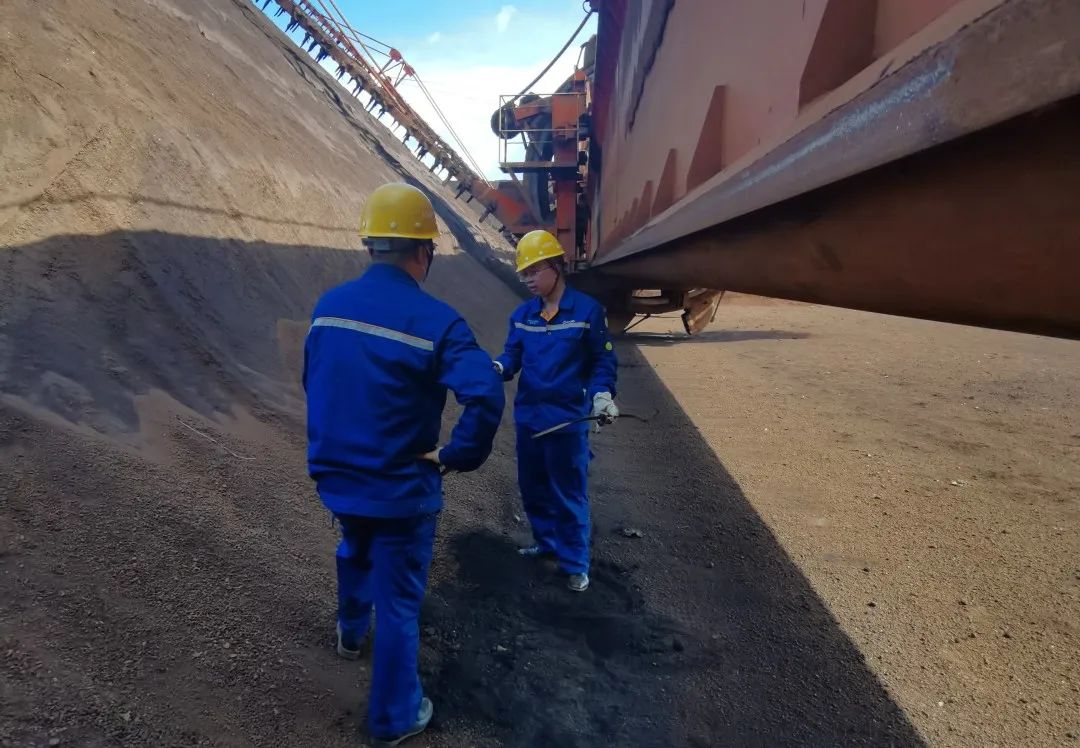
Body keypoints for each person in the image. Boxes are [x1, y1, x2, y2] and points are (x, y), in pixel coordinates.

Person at [304, 183, 504, 746]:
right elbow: (485, 393)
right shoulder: (439, 322)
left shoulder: (327, 308)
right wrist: (457, 455)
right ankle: (394, 718)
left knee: (354, 547)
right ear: (424, 251)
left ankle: (349, 634)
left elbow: (315, 383)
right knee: (398, 602)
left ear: (371, 245)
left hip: (340, 479)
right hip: (400, 490)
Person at [493, 229, 619, 593]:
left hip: (567, 421)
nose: (528, 280)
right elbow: (513, 355)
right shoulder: (522, 316)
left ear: (555, 267)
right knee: (533, 488)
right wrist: (499, 367)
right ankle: (546, 544)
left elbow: (602, 362)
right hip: (530, 420)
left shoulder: (587, 312)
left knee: (568, 492)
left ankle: (575, 563)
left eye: (534, 271)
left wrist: (602, 395)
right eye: (524, 274)